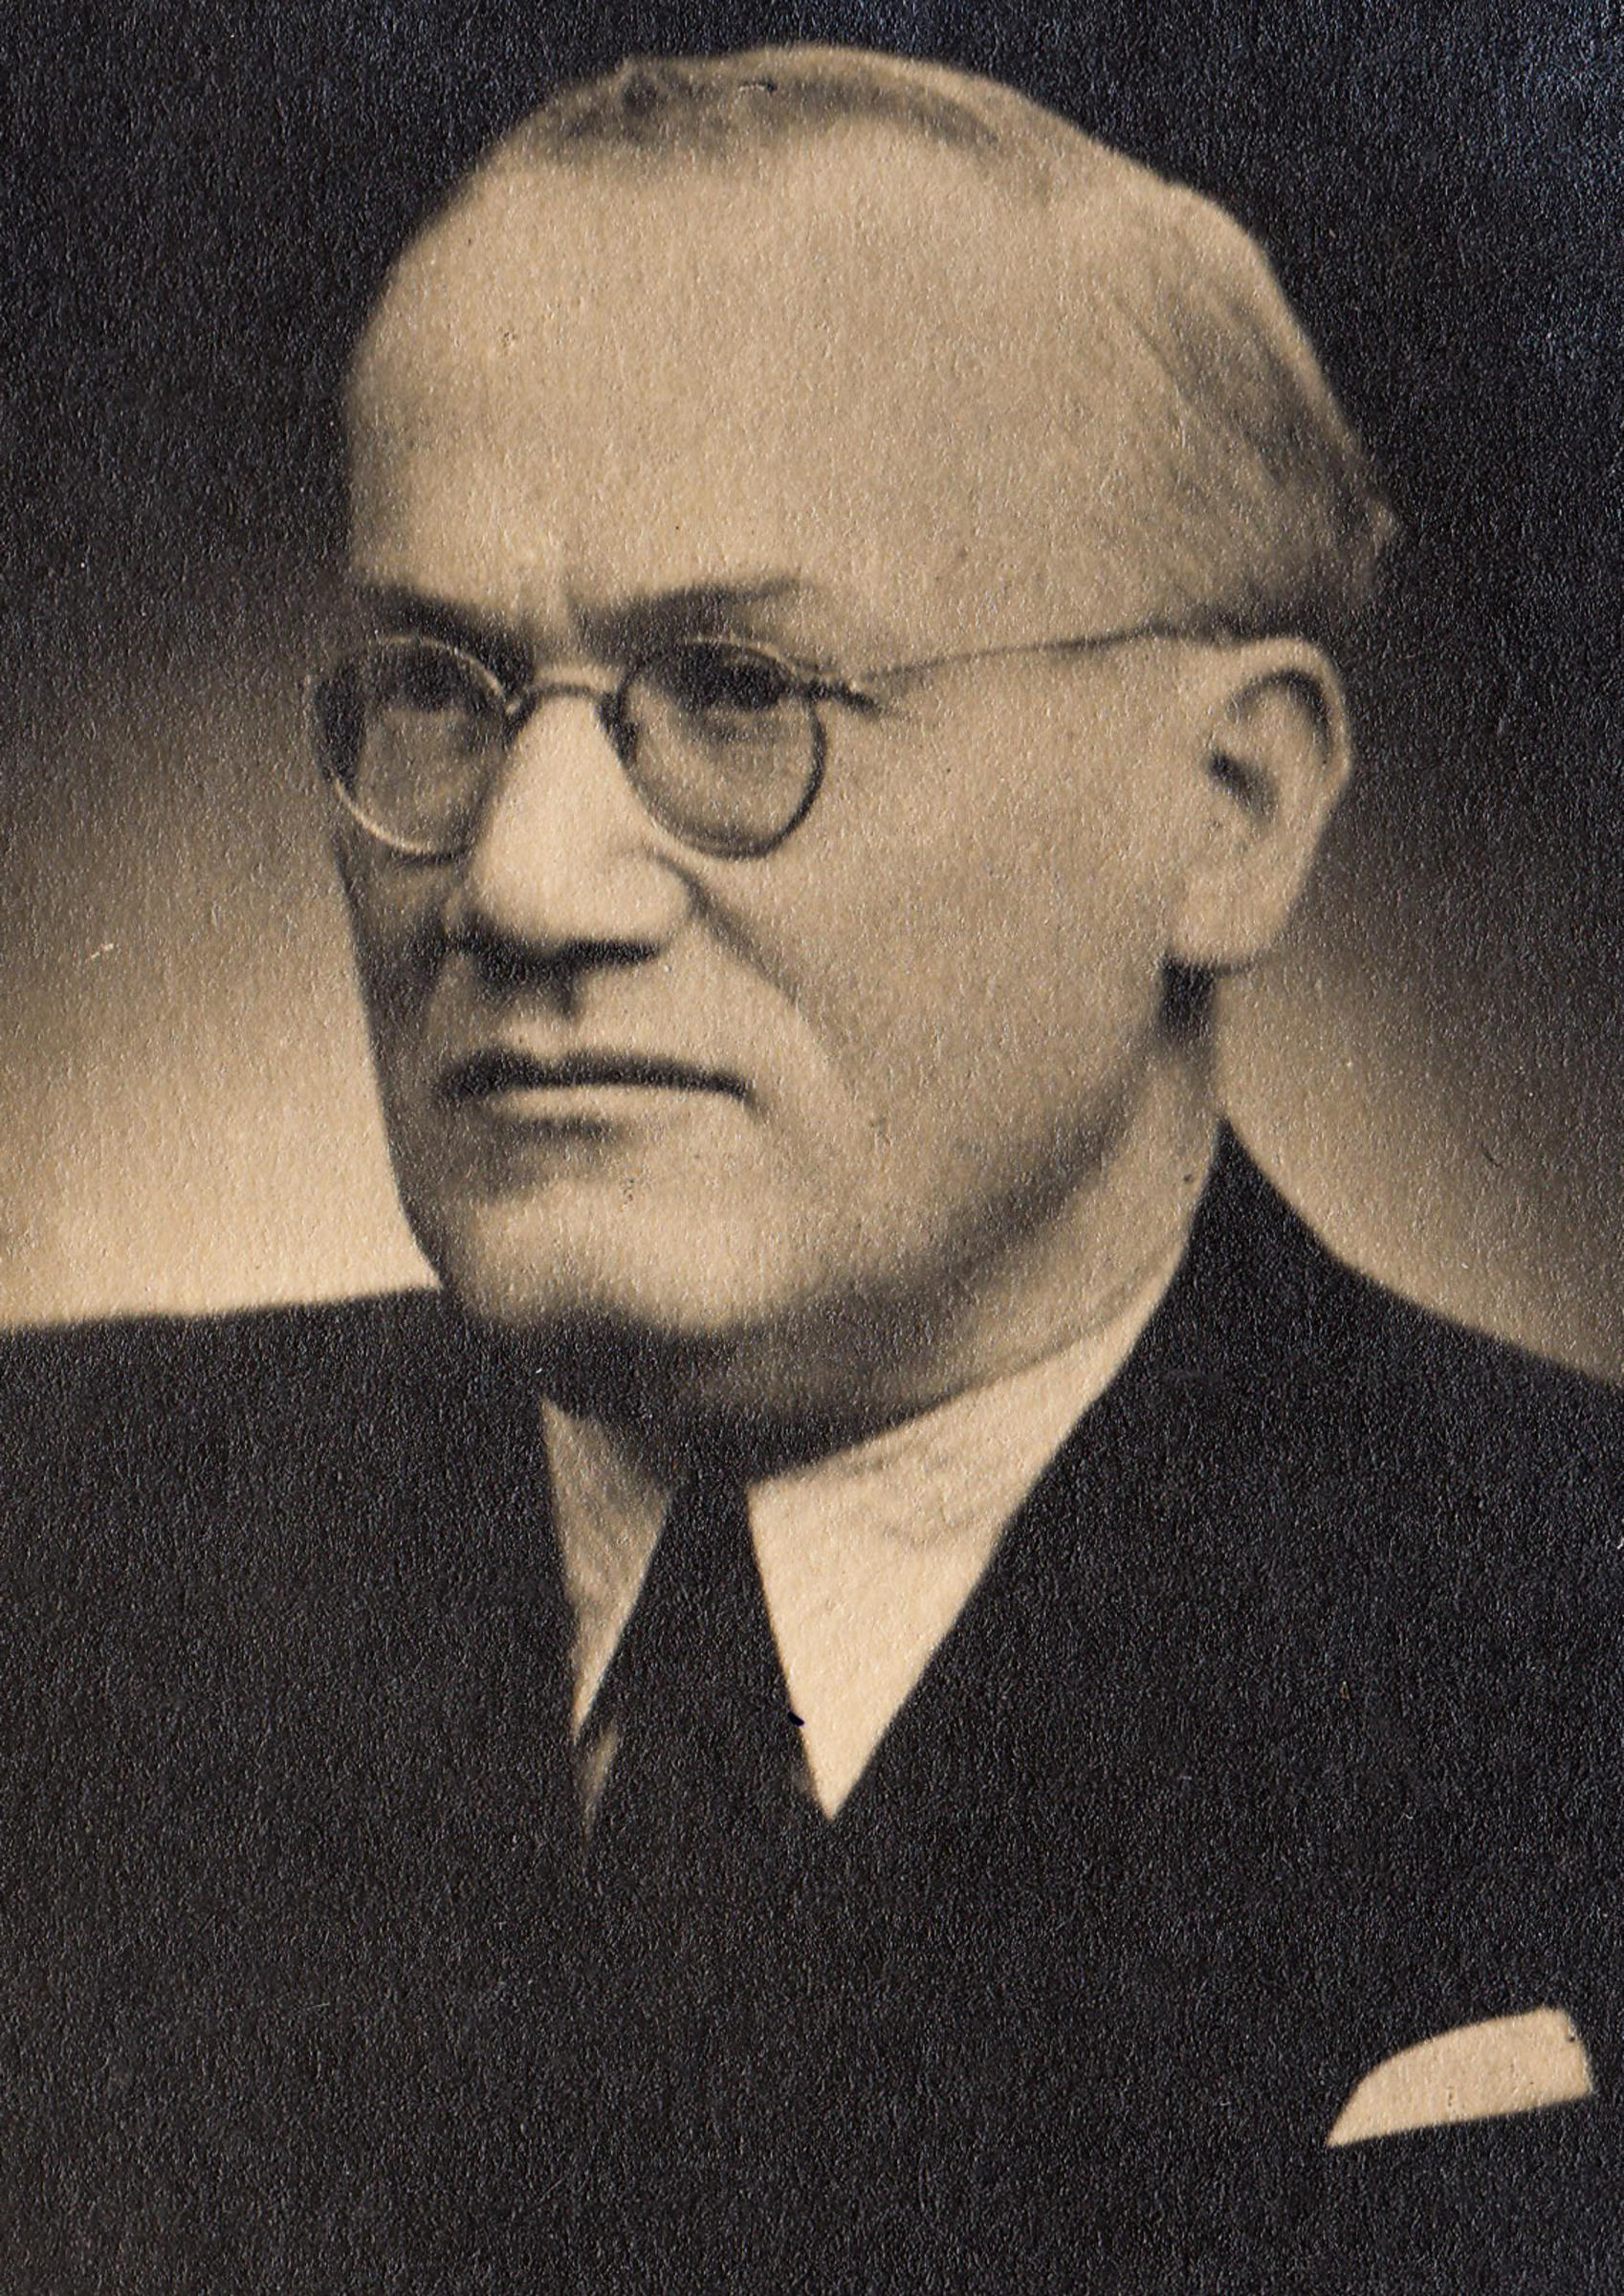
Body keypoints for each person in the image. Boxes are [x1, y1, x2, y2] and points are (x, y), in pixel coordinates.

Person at [5, 43, 1621, 2292]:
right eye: (441, 689)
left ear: (1232, 810)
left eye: (742, 689)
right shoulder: (58, 1548)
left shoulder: (1564, 1646)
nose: (526, 883)